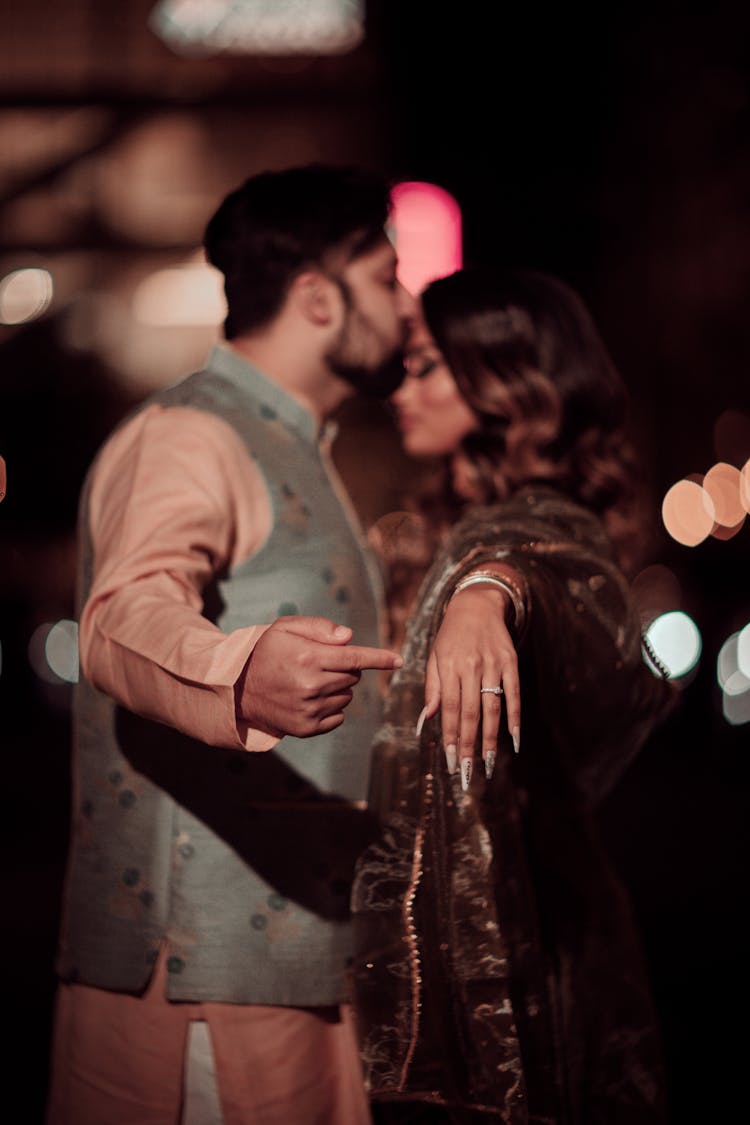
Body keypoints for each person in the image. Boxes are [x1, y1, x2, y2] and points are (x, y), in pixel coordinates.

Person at [46, 162, 417, 1125]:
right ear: (316, 298)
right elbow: (122, 614)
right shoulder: (191, 434)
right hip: (207, 986)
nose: (405, 304)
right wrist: (241, 670)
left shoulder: (293, 441)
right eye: (386, 276)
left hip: (287, 972)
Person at [351, 266, 678, 1123]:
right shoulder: (435, 523)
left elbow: (562, 573)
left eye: (427, 368)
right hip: (455, 933)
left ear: (503, 383)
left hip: (526, 935)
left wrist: (488, 588)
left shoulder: (543, 522)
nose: (403, 388)